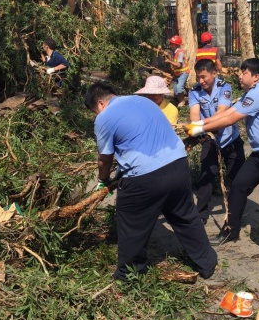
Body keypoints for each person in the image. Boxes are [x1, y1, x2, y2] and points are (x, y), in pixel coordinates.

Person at [85, 82, 217, 280]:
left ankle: (128, 275)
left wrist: (103, 179)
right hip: (178, 165)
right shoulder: (142, 101)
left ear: (101, 103)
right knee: (185, 216)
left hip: (144, 178)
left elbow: (104, 158)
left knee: (131, 224)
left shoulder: (104, 117)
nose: (97, 115)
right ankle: (207, 263)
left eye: (95, 111)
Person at [186, 58, 259, 262]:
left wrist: (201, 128)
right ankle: (231, 230)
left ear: (255, 77)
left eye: (244, 72)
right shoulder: (250, 94)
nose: (239, 75)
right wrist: (201, 123)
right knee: (238, 185)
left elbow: (230, 119)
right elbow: (230, 111)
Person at [188, 59, 245, 223]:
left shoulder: (224, 87)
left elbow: (222, 113)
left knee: (238, 178)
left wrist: (201, 126)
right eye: (198, 77)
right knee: (206, 176)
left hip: (230, 139)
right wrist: (195, 127)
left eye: (204, 77)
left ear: (214, 73)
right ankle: (201, 214)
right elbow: (194, 114)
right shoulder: (194, 91)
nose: (201, 81)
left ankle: (236, 214)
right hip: (210, 140)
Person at [164, 35, 189, 106]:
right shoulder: (175, 52)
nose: (171, 45)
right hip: (178, 73)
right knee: (175, 89)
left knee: (179, 87)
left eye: (172, 44)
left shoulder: (180, 53)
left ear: (176, 44)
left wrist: (169, 61)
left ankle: (182, 101)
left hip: (183, 73)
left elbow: (179, 65)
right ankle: (178, 100)